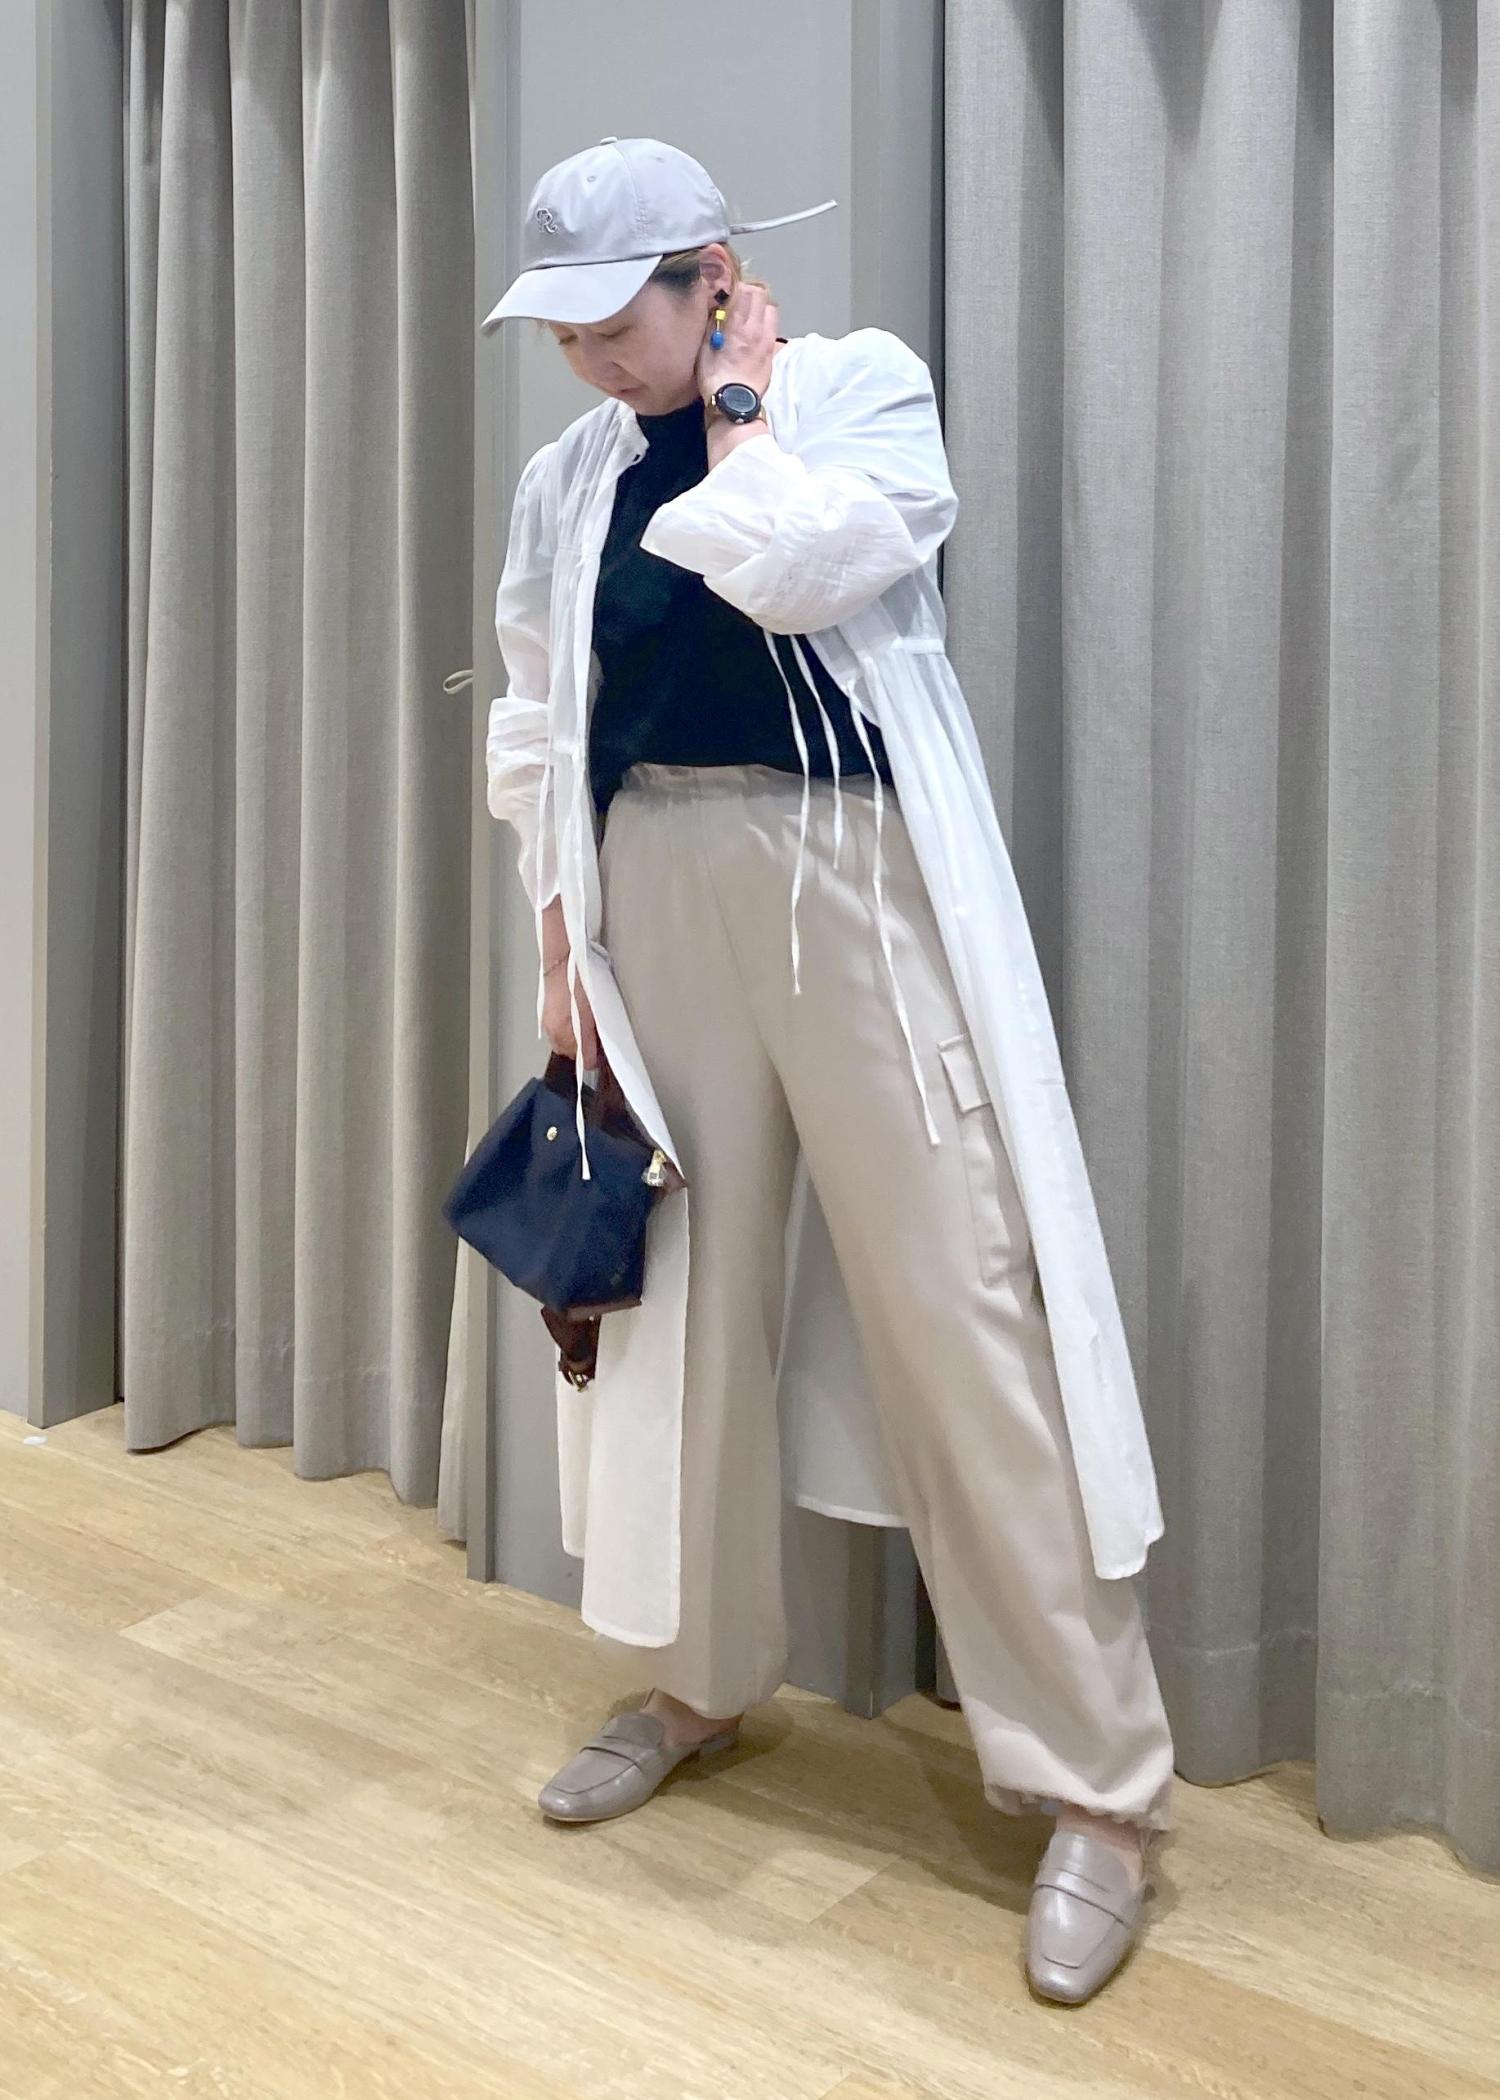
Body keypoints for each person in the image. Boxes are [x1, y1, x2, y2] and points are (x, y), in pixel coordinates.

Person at [480, 136, 1176, 2005]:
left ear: (712, 275)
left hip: (846, 873)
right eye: (562, 332)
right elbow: (543, 713)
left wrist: (732, 412)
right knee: (678, 1307)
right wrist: (558, 953)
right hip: (648, 884)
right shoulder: (568, 476)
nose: (585, 360)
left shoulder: (857, 389)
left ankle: (1099, 1789)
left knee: (962, 1304)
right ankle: (699, 1679)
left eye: (615, 320)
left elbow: (810, 574)